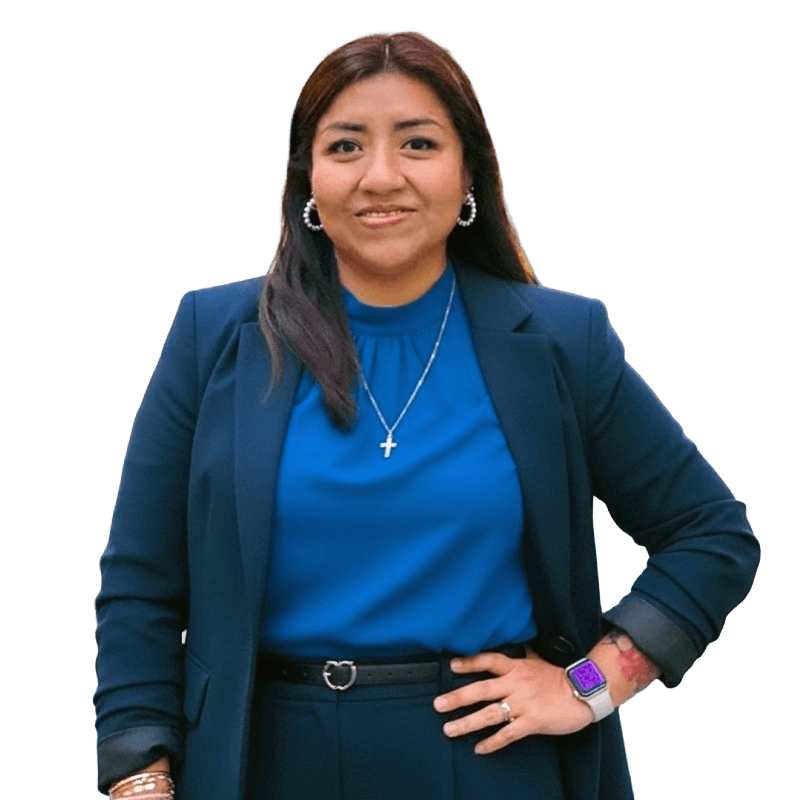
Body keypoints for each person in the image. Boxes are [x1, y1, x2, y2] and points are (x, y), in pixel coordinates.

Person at [93, 30, 759, 800]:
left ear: (468, 170)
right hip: (258, 759)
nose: (382, 177)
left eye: (418, 143)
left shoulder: (559, 343)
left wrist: (588, 685)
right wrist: (140, 776)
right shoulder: (215, 336)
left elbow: (710, 535)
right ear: (307, 178)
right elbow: (140, 587)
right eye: (345, 146)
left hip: (486, 761)